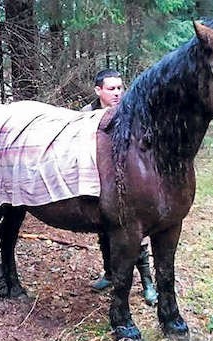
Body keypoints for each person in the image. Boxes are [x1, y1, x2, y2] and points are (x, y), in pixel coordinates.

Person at [81, 69, 158, 306]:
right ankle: (109, 275)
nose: (117, 93)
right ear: (98, 91)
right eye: (111, 88)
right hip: (101, 182)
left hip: (131, 182)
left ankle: (147, 283)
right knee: (105, 233)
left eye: (119, 88)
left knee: (138, 236)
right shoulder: (86, 114)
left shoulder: (132, 110)